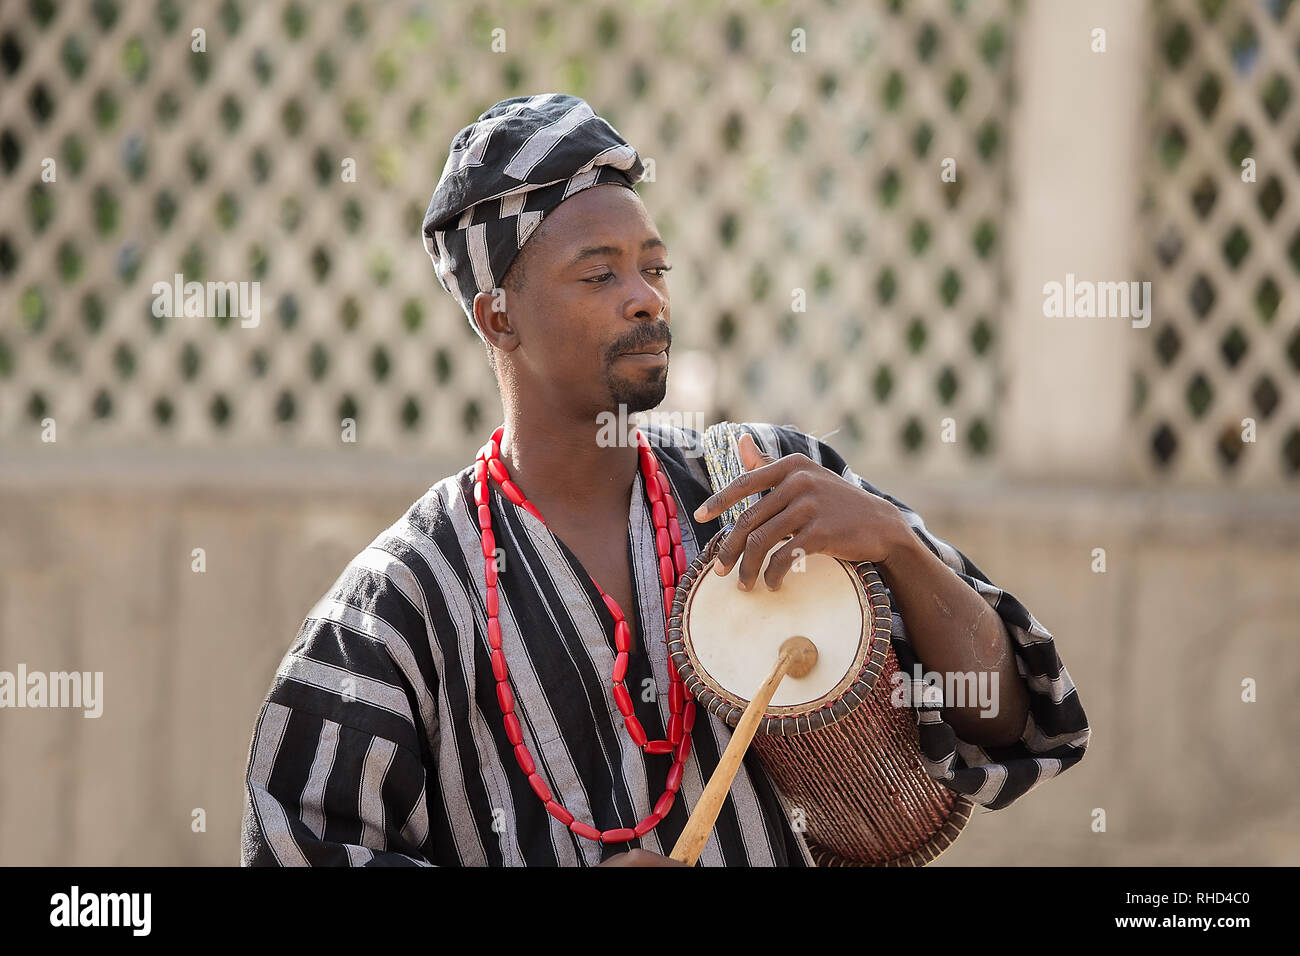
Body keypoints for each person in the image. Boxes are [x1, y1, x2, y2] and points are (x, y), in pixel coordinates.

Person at [240, 93, 1089, 867]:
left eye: (655, 268)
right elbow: (289, 851)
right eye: (600, 273)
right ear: (498, 313)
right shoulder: (405, 599)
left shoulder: (771, 485)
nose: (647, 298)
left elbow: (1009, 724)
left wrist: (897, 545)